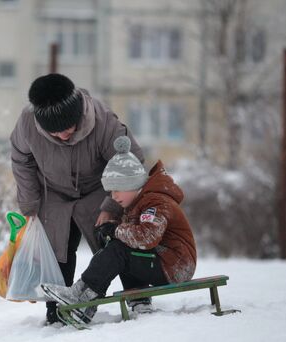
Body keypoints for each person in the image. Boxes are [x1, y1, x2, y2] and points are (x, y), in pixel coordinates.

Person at [10, 73, 144, 325]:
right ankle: (57, 310)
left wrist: (111, 205)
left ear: (78, 116)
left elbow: (131, 160)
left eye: (68, 129)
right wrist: (29, 204)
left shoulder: (103, 122)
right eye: (55, 132)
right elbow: (21, 159)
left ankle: (137, 295)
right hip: (54, 193)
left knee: (117, 239)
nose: (63, 135)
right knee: (55, 248)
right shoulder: (27, 122)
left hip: (98, 189)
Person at [40, 136, 197, 323]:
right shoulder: (139, 202)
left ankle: (84, 296)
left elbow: (147, 237)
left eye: (116, 190)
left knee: (119, 249)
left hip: (176, 266)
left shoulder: (156, 202)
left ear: (131, 184)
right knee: (119, 245)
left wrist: (115, 230)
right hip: (163, 261)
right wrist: (111, 232)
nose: (113, 197)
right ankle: (134, 300)